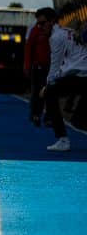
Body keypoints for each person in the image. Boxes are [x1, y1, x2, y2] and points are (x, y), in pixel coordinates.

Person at [37, 8, 87, 151]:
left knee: (50, 92)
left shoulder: (56, 37)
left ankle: (63, 140)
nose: (40, 27)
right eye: (38, 25)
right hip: (81, 76)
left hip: (80, 76)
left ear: (52, 21)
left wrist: (46, 87)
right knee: (79, 122)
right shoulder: (68, 31)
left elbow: (55, 65)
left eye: (43, 23)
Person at [24, 11, 52, 126]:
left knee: (50, 91)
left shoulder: (55, 32)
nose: (40, 24)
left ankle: (48, 116)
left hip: (52, 66)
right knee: (37, 91)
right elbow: (29, 48)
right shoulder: (35, 30)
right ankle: (36, 114)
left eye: (42, 22)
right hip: (38, 66)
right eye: (39, 22)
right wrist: (27, 66)